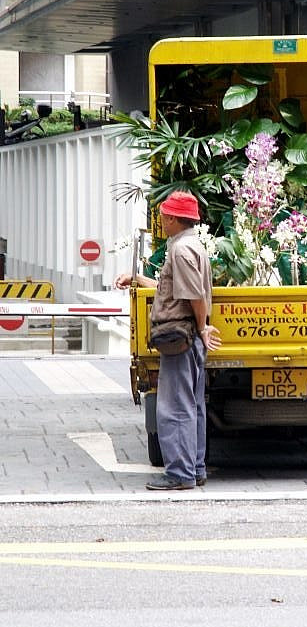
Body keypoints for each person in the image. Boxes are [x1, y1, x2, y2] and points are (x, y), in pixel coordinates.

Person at [115, 191, 221, 491]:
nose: (160, 220)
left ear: (172, 219)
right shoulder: (190, 245)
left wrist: (202, 328)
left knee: (174, 408)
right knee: (192, 405)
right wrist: (136, 279)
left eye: (162, 216)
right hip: (188, 336)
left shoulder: (181, 250)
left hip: (182, 336)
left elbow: (194, 294)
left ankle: (180, 474)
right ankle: (194, 469)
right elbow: (170, 287)